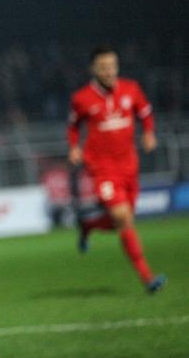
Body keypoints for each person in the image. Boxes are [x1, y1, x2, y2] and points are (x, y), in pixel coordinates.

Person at [67, 45, 166, 293]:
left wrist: (149, 133)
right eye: (103, 67)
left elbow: (146, 113)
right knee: (122, 218)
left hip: (129, 167)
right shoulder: (82, 98)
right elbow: (73, 126)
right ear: (93, 69)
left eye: (112, 66)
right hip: (102, 169)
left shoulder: (131, 89)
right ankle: (147, 278)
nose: (109, 71)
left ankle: (88, 226)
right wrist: (74, 147)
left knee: (123, 221)